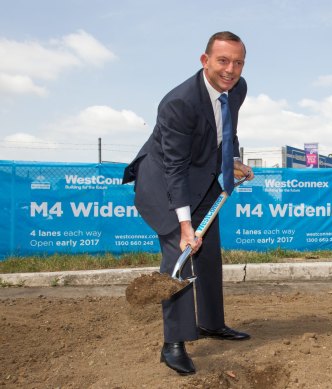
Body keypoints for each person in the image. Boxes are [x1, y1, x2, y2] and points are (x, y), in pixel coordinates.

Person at [122, 31, 255, 375]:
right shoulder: (179, 102)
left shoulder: (236, 89)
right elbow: (174, 167)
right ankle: (174, 344)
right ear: (204, 60)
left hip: (204, 177)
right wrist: (184, 225)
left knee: (208, 251)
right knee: (180, 257)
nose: (230, 69)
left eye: (238, 62)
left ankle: (212, 322)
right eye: (223, 61)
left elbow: (226, 131)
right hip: (165, 184)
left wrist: (233, 160)